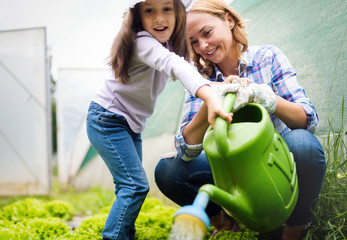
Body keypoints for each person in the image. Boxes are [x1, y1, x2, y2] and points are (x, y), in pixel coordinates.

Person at [154, 0, 327, 239]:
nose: (203, 46)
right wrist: (209, 99)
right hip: (230, 168)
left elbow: (308, 121)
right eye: (193, 42)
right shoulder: (199, 80)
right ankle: (225, 218)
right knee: (168, 170)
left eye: (207, 33)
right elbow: (185, 151)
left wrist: (268, 98)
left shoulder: (267, 57)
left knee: (304, 144)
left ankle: (293, 229)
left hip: (272, 160)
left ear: (229, 20)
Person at [86, 0, 234, 239]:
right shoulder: (142, 41)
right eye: (149, 11)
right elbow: (175, 65)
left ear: (178, 13)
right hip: (107, 121)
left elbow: (187, 71)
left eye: (166, 9)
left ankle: (125, 233)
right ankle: (114, 236)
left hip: (127, 125)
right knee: (135, 186)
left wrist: (216, 87)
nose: (159, 18)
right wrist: (211, 96)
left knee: (127, 186)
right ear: (137, 17)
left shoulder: (166, 45)